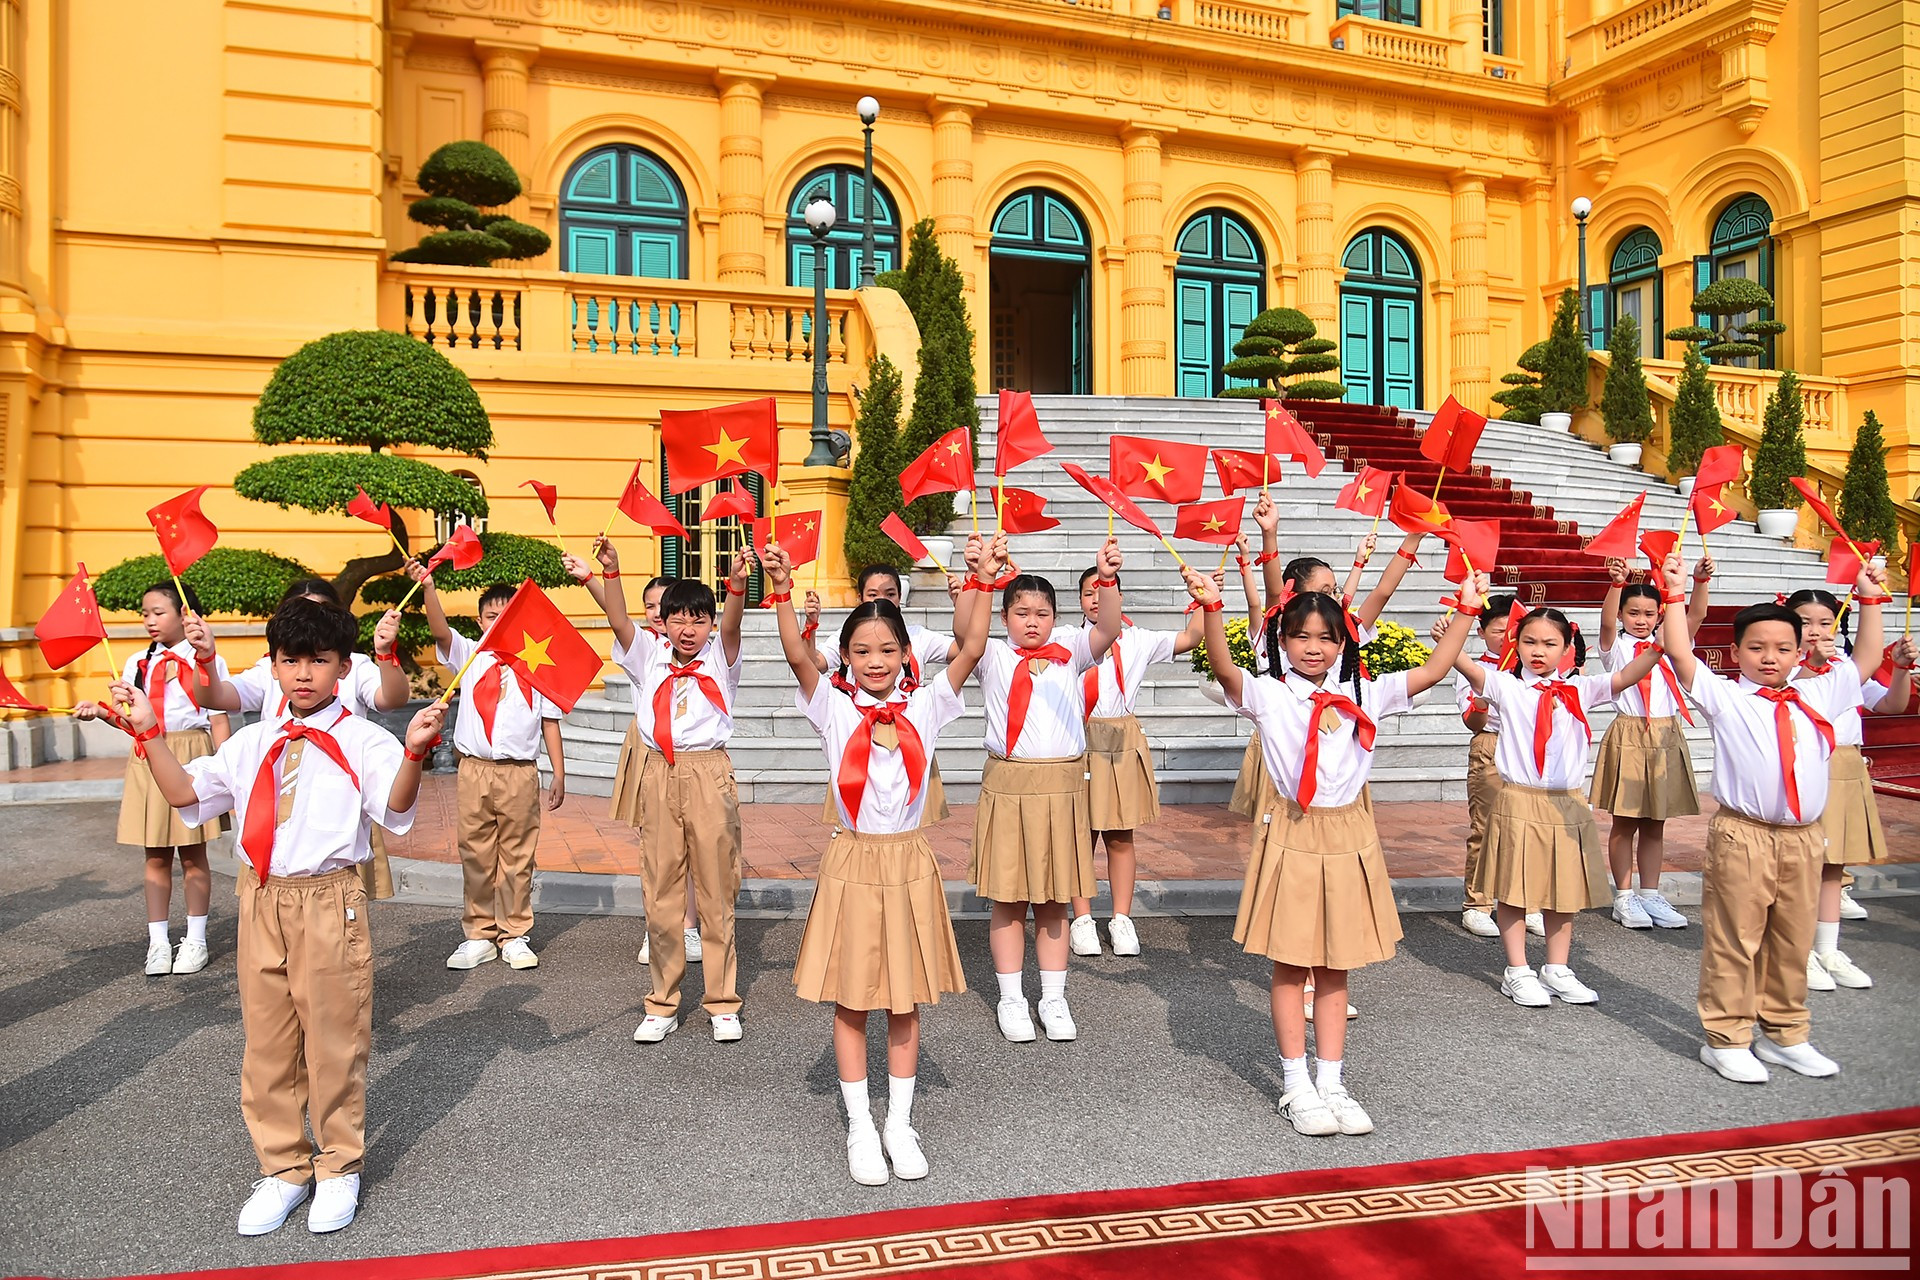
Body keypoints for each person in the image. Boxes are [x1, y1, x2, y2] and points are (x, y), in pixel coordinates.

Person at [107, 596, 443, 1236]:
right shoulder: (253, 739)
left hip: (328, 898)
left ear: (344, 667)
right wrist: (148, 730)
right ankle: (283, 1167)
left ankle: (339, 1165)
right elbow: (185, 794)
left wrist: (415, 754)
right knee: (267, 1042)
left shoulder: (363, 737)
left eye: (319, 661)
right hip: (260, 895)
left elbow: (394, 809)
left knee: (333, 1037)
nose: (304, 674)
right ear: (274, 665)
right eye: (291, 661)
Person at [1188, 563, 1483, 1136]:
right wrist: (1213, 609)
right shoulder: (1270, 694)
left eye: (1327, 637)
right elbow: (1224, 669)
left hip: (1350, 834)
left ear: (1345, 641)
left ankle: (1333, 1080)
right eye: (1301, 636)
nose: (1314, 647)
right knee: (1291, 958)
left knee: (1336, 963)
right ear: (1281, 640)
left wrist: (1467, 611)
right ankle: (1295, 1085)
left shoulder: (1365, 691)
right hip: (1294, 830)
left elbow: (1435, 669)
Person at [760, 535, 991, 1186]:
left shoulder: (927, 704)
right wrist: (780, 591)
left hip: (911, 862)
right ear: (845, 657)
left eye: (887, 650)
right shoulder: (833, 708)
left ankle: (900, 1122)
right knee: (853, 999)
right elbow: (795, 656)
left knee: (906, 999)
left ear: (906, 654)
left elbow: (971, 647)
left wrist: (980, 581)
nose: (875, 660)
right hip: (854, 863)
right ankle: (862, 1124)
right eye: (861, 651)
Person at [1657, 556, 1876, 1082]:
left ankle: (1785, 1033)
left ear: (1802, 652)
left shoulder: (1819, 692)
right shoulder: (1727, 697)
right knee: (1736, 937)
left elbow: (1867, 656)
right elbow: (1680, 653)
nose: (1769, 658)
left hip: (1804, 837)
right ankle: (1727, 1037)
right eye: (1756, 648)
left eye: (1783, 648)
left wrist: (1868, 597)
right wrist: (1674, 594)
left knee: (1793, 938)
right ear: (1735, 652)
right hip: (1745, 835)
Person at [1452, 607, 1663, 1007]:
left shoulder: (1581, 689)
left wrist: (1660, 646)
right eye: (1529, 641)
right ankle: (1516, 971)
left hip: (1567, 804)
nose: (1538, 651)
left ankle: (1557, 967)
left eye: (1550, 643)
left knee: (1562, 891)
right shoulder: (1506, 686)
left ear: (1567, 648)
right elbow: (1454, 660)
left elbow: (1628, 674)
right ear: (1515, 644)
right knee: (1514, 890)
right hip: (1519, 799)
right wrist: (1457, 622)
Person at [586, 535, 750, 1044]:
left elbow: (734, 621)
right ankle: (662, 1002)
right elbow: (617, 621)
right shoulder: (648, 656)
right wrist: (610, 573)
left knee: (717, 890)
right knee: (660, 890)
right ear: (665, 622)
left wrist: (739, 587)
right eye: (678, 618)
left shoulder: (722, 655)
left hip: (707, 773)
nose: (687, 628)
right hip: (658, 772)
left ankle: (722, 1002)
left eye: (697, 619)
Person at [969, 536, 1125, 1043]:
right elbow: (964, 633)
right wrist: (984, 579)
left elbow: (1108, 627)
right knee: (1009, 899)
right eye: (1021, 612)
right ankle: (1011, 997)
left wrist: (1106, 578)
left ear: (1056, 617)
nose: (1031, 621)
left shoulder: (1072, 653)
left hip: (1061, 787)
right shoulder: (991, 654)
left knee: (1056, 900)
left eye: (1042, 612)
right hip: (1009, 785)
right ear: (1005, 617)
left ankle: (1053, 997)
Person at [197, 578, 409, 901]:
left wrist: (385, 654)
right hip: (273, 811)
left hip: (334, 805)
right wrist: (206, 661)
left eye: (320, 613)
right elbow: (217, 695)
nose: (304, 672)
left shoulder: (353, 667)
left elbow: (390, 698)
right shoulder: (276, 670)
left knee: (339, 906)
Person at [410, 567, 567, 971]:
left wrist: (559, 772)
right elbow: (441, 633)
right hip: (475, 770)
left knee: (518, 854)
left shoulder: (536, 661)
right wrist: (428, 589)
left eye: (507, 616)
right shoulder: (470, 655)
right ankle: (478, 932)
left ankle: (515, 932)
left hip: (519, 771)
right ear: (480, 622)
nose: (498, 624)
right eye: (491, 617)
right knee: (476, 853)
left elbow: (550, 721)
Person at [74, 581, 230, 977]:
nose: (149, 621)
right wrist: (102, 712)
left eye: (158, 612)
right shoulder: (136, 663)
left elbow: (218, 717)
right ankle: (158, 942)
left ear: (185, 614)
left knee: (193, 854)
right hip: (148, 753)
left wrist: (230, 768)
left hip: (193, 753)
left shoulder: (206, 660)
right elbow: (132, 722)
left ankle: (195, 939)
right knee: (155, 855)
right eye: (144, 614)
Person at [1069, 563, 1209, 958]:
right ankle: (1081, 919)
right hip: (1078, 738)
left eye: (1103, 591)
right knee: (1080, 834)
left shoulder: (1138, 640)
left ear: (1119, 596)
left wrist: (1201, 598)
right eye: (1088, 593)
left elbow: (1193, 636)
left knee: (1119, 833)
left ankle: (1121, 918)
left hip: (1121, 738)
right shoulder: (1066, 639)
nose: (1096, 599)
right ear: (1079, 601)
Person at [570, 569, 703, 967]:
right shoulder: (643, 646)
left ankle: (690, 926)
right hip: (649, 748)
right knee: (655, 847)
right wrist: (594, 578)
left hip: (690, 753)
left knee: (692, 847)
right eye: (651, 606)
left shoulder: (701, 648)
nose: (659, 613)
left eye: (667, 606)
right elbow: (616, 616)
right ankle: (657, 926)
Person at [1784, 584, 1897, 992]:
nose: (1815, 631)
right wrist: (1808, 665)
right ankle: (1799, 951)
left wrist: (1869, 597)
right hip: (1805, 768)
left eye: (1824, 622)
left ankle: (1828, 949)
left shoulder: (1844, 668)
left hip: (1846, 765)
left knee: (1833, 866)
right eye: (1804, 622)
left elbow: (1869, 656)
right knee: (1804, 866)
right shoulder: (1780, 670)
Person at [1592, 555, 1714, 930]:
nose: (1641, 619)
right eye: (1634, 612)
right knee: (1625, 821)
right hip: (1629, 732)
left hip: (1666, 733)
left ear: (1661, 614)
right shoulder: (1616, 648)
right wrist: (1617, 584)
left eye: (1648, 612)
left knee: (1656, 822)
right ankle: (1624, 897)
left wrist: (1698, 581)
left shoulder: (1670, 641)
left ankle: (1650, 893)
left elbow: (1694, 617)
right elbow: (1606, 622)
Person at [804, 563, 962, 828]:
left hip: (908, 738)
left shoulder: (916, 636)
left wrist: (962, 605)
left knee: (910, 819)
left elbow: (962, 651)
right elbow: (810, 663)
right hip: (860, 739)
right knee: (860, 818)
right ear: (860, 599)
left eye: (890, 594)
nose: (883, 600)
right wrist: (810, 626)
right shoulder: (850, 636)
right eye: (873, 595)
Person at [1435, 593, 1517, 939]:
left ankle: (1523, 901)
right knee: (1486, 827)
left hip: (1527, 747)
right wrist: (1484, 702)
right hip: (1491, 744)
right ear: (1481, 632)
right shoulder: (1473, 666)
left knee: (1525, 828)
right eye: (1497, 630)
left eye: (1511, 628)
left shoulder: (1530, 663)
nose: (1505, 636)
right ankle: (1478, 904)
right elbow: (1473, 721)